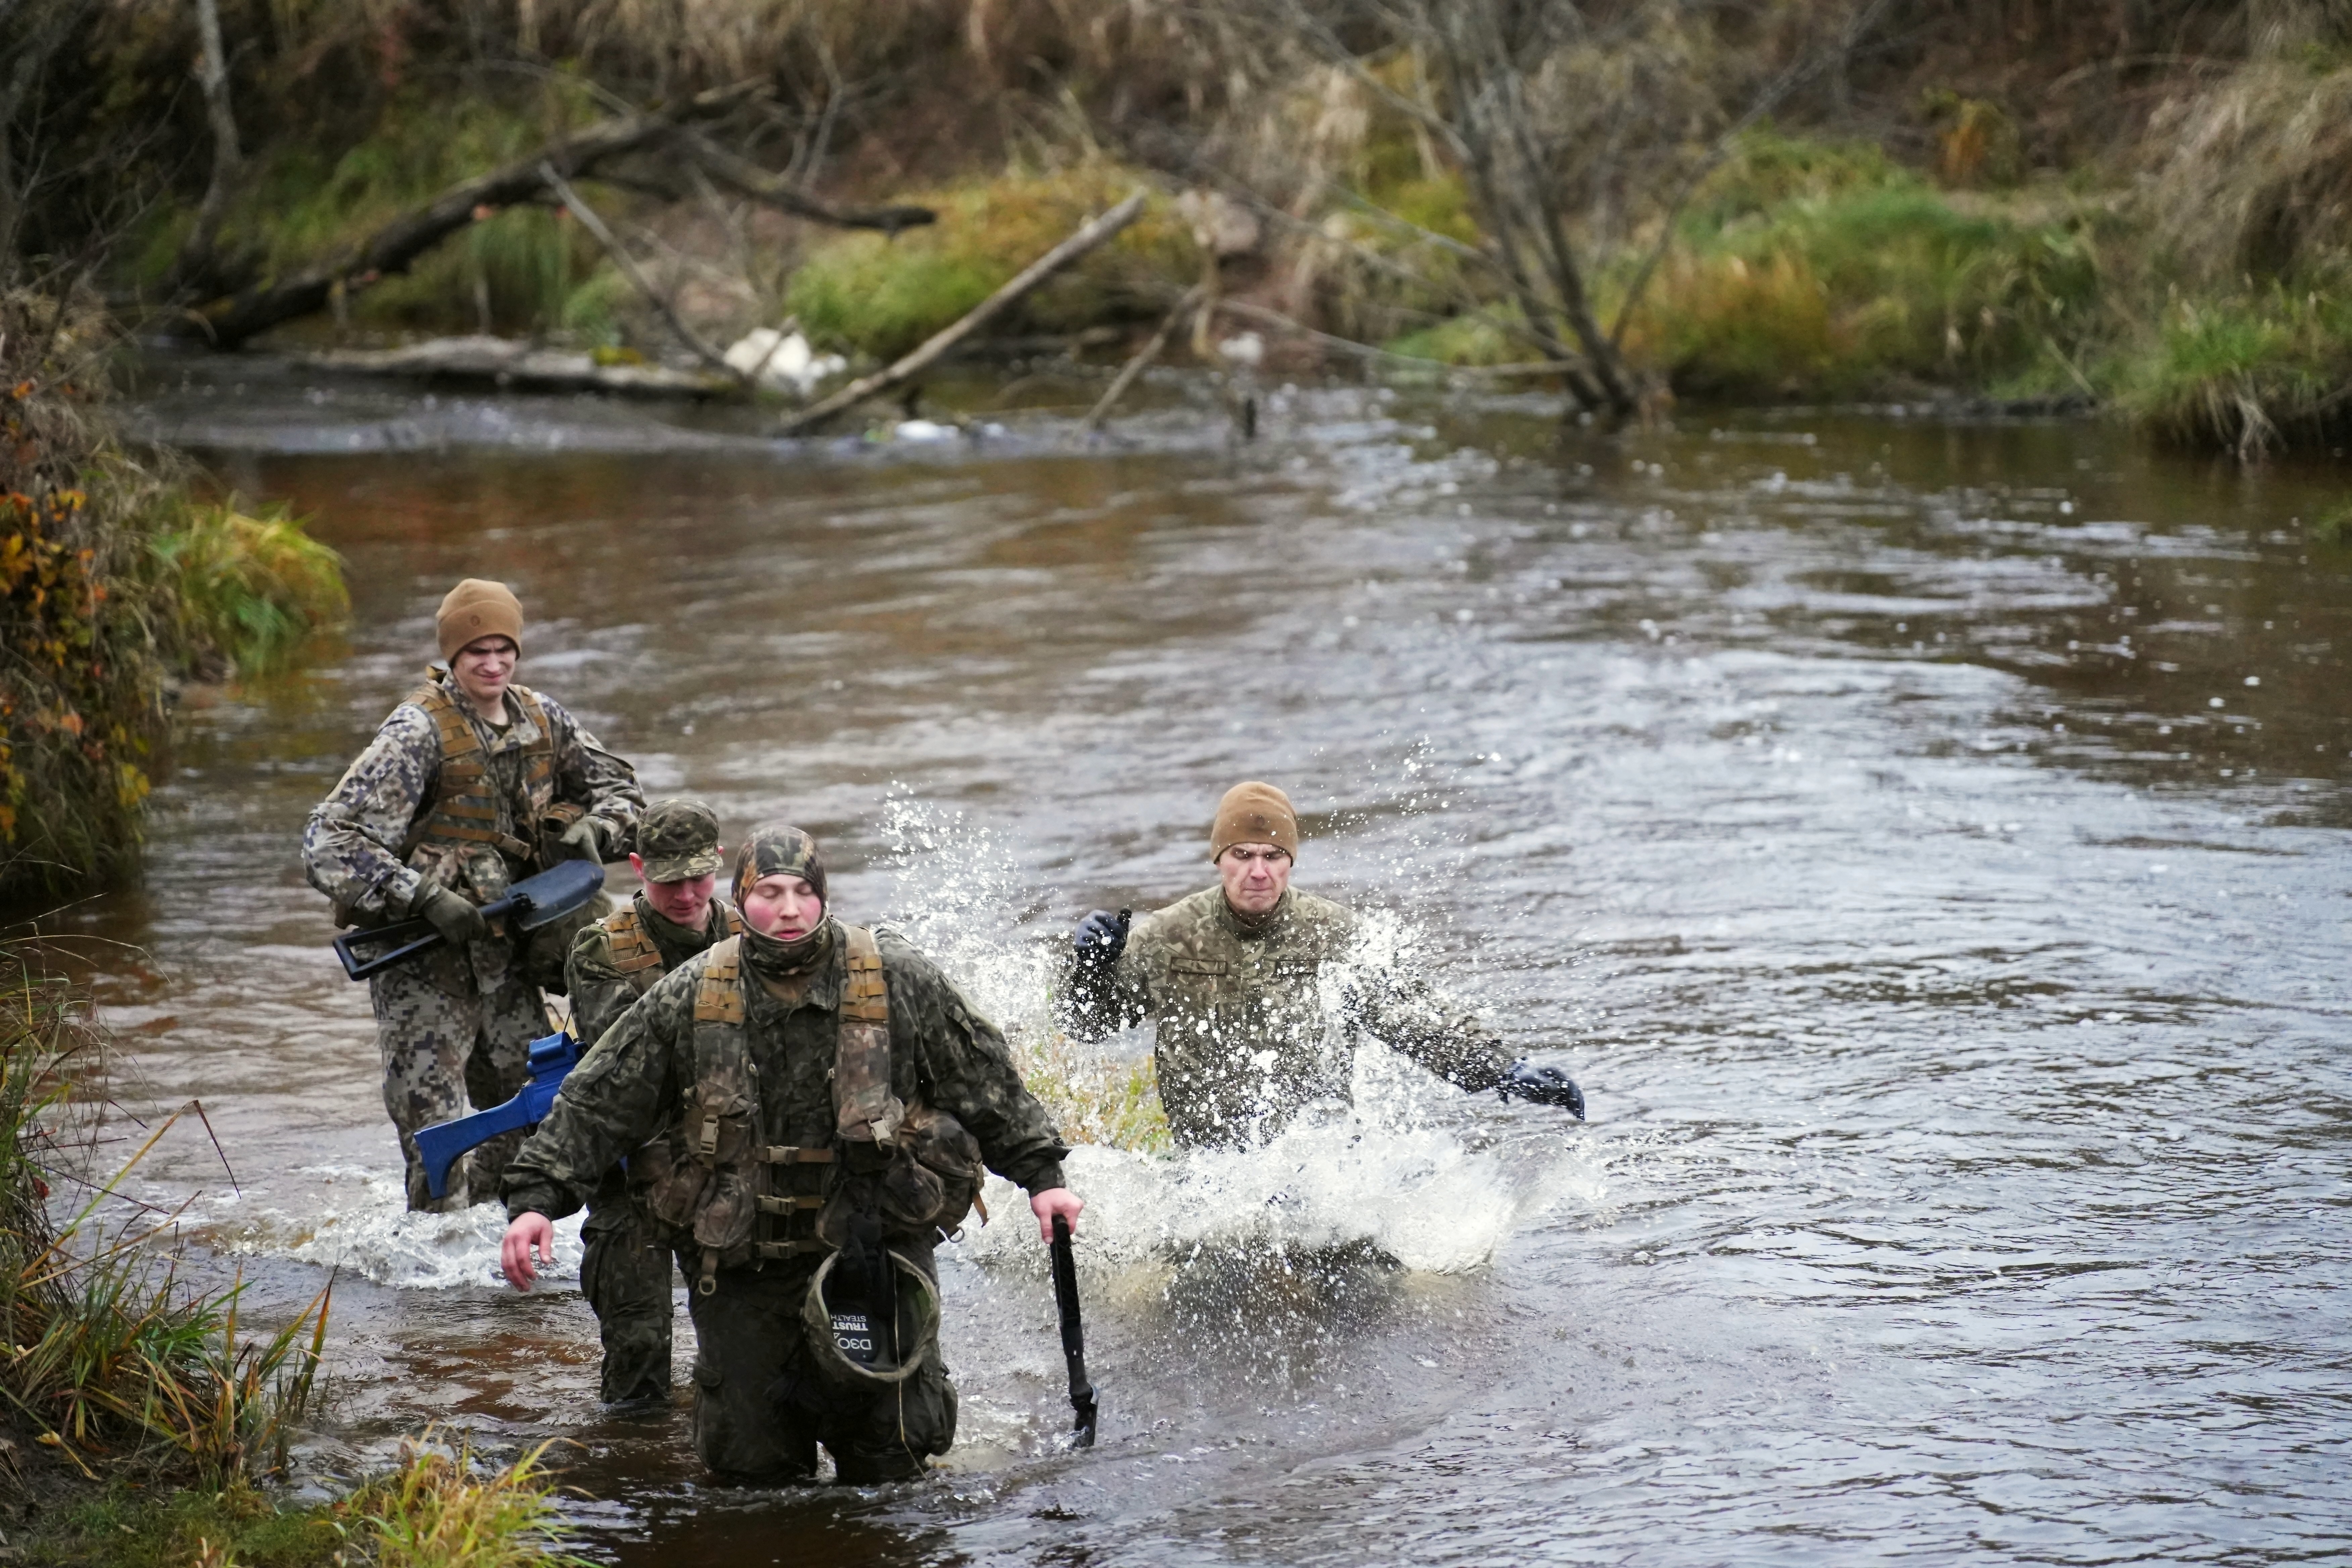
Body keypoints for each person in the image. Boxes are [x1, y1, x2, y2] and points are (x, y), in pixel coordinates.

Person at [499, 825, 1084, 1483]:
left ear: (823, 895)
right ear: (741, 898)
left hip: (875, 1249)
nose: (787, 909)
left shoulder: (897, 977)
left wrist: (1042, 1177)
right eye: (769, 892)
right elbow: (599, 1100)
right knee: (754, 1471)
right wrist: (536, 1199)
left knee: (891, 1459)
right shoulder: (690, 992)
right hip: (744, 1267)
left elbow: (985, 1081)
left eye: (803, 891)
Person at [302, 579, 643, 1211]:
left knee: (530, 1121)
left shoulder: (543, 718)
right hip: (423, 961)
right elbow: (326, 839)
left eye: (502, 649)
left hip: (508, 957)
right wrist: (420, 895)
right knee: (433, 1134)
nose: (492, 664)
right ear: (452, 656)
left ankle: (498, 1273)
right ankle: (435, 1280)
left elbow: (623, 792)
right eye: (475, 652)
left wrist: (599, 828)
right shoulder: (418, 732)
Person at [1059, 780, 1585, 1149]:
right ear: (1219, 859)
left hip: (1317, 1163)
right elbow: (1086, 1023)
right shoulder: (1170, 936)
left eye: (1273, 856)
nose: (1258, 872)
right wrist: (1090, 968)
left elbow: (1415, 1019)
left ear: (1291, 861)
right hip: (1210, 1168)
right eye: (1242, 855)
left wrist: (1505, 1070)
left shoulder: (1336, 935)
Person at [563, 796, 740, 1406]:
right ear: (639, 868)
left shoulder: (760, 933)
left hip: (730, 1174)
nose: (687, 895)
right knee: (638, 1360)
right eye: (669, 882)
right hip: (634, 1174)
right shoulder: (601, 950)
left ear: (719, 863)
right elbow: (637, 1057)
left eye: (698, 878)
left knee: (743, 1359)